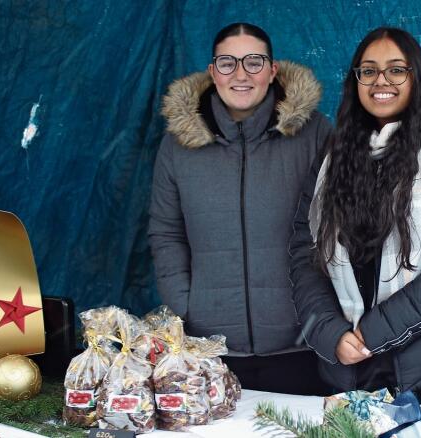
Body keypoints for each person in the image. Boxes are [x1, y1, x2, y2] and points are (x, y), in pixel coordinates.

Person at [289, 27, 421, 409]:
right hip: (348, 368)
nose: (382, 81)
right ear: (356, 80)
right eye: (369, 70)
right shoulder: (332, 159)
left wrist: (375, 332)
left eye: (397, 70)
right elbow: (303, 254)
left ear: (417, 77)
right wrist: (331, 335)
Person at [148, 22, 332, 395]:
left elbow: (337, 225)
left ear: (272, 70)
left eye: (254, 61)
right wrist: (187, 306)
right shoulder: (177, 145)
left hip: (301, 344)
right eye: (228, 63)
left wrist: (320, 312)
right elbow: (166, 230)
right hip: (209, 349)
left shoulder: (314, 133)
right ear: (213, 72)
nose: (241, 74)